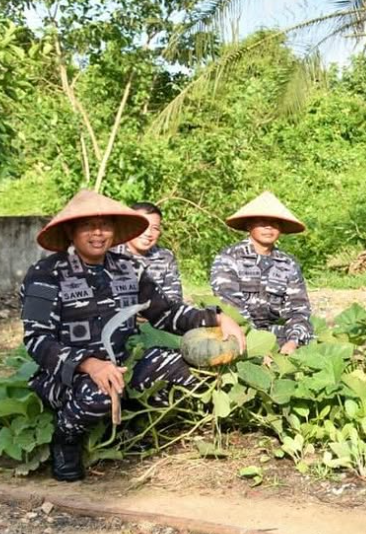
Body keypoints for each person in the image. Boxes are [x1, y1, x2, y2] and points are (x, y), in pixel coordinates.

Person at [20, 189, 245, 482]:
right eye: (88, 226)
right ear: (71, 231)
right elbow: (37, 339)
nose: (98, 233)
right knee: (99, 393)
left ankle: (131, 426)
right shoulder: (45, 274)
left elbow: (166, 313)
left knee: (184, 369)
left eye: (105, 225)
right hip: (66, 375)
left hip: (124, 364)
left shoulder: (128, 268)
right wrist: (88, 364)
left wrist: (216, 317)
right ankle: (66, 439)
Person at [210, 191, 313, 355]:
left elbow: (298, 309)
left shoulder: (288, 263)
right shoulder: (229, 258)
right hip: (237, 334)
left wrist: (293, 342)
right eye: (262, 222)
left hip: (276, 336)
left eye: (275, 223)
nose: (268, 227)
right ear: (249, 225)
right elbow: (231, 309)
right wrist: (258, 349)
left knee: (309, 346)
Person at [111, 202, 184, 303]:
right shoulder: (109, 255)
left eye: (155, 228)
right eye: (142, 226)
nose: (148, 233)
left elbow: (174, 299)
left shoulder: (165, 257)